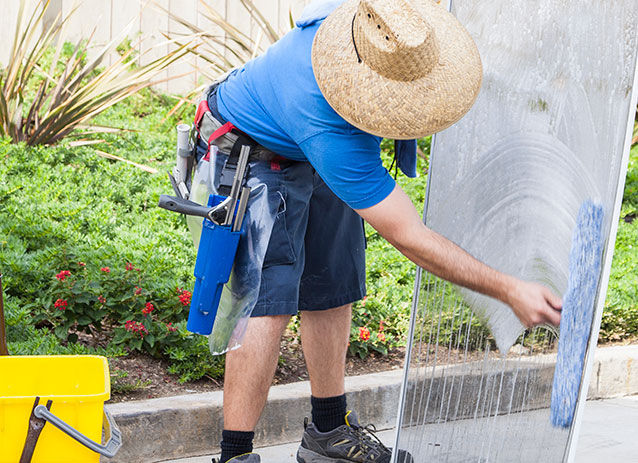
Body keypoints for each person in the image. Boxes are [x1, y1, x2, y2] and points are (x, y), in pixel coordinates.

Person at [192, 1, 563, 462]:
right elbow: (410, 237)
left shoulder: (376, 27)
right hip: (249, 152)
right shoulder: (329, 122)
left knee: (333, 281)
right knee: (266, 300)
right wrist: (508, 289)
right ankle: (235, 455)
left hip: (304, 146)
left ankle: (329, 434)